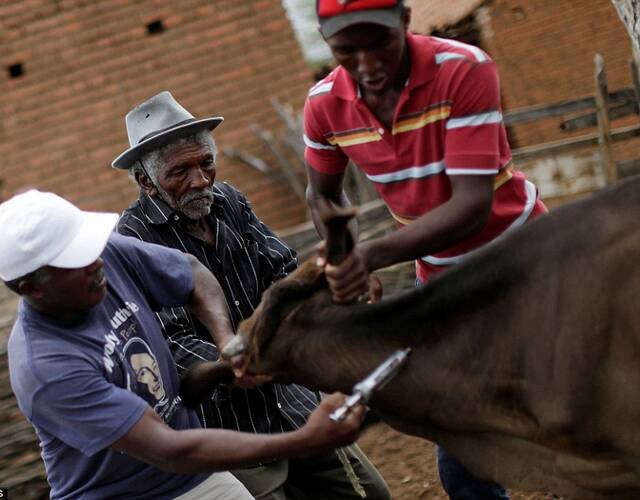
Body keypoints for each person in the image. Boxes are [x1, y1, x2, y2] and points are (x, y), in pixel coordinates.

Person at [304, 1, 548, 498]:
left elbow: (471, 206)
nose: (367, 65)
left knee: (578, 396)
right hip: (440, 280)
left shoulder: (462, 69)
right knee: (460, 451)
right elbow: (323, 193)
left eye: (380, 44)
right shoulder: (325, 104)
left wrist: (369, 256)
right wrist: (342, 251)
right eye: (348, 51)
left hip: (528, 260)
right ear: (327, 42)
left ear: (405, 21)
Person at [111, 91, 390, 499]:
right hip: (227, 431)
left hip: (292, 401)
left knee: (369, 494)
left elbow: (280, 270)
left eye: (206, 163)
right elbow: (167, 343)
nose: (200, 180)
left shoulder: (229, 203)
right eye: (180, 172)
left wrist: (327, 292)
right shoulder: (133, 241)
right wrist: (233, 362)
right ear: (145, 181)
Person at [1, 190, 365, 500]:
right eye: (77, 260)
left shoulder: (102, 257)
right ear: (33, 288)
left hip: (193, 476)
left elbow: (191, 273)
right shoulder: (47, 366)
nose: (96, 262)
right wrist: (306, 440)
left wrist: (227, 342)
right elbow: (168, 448)